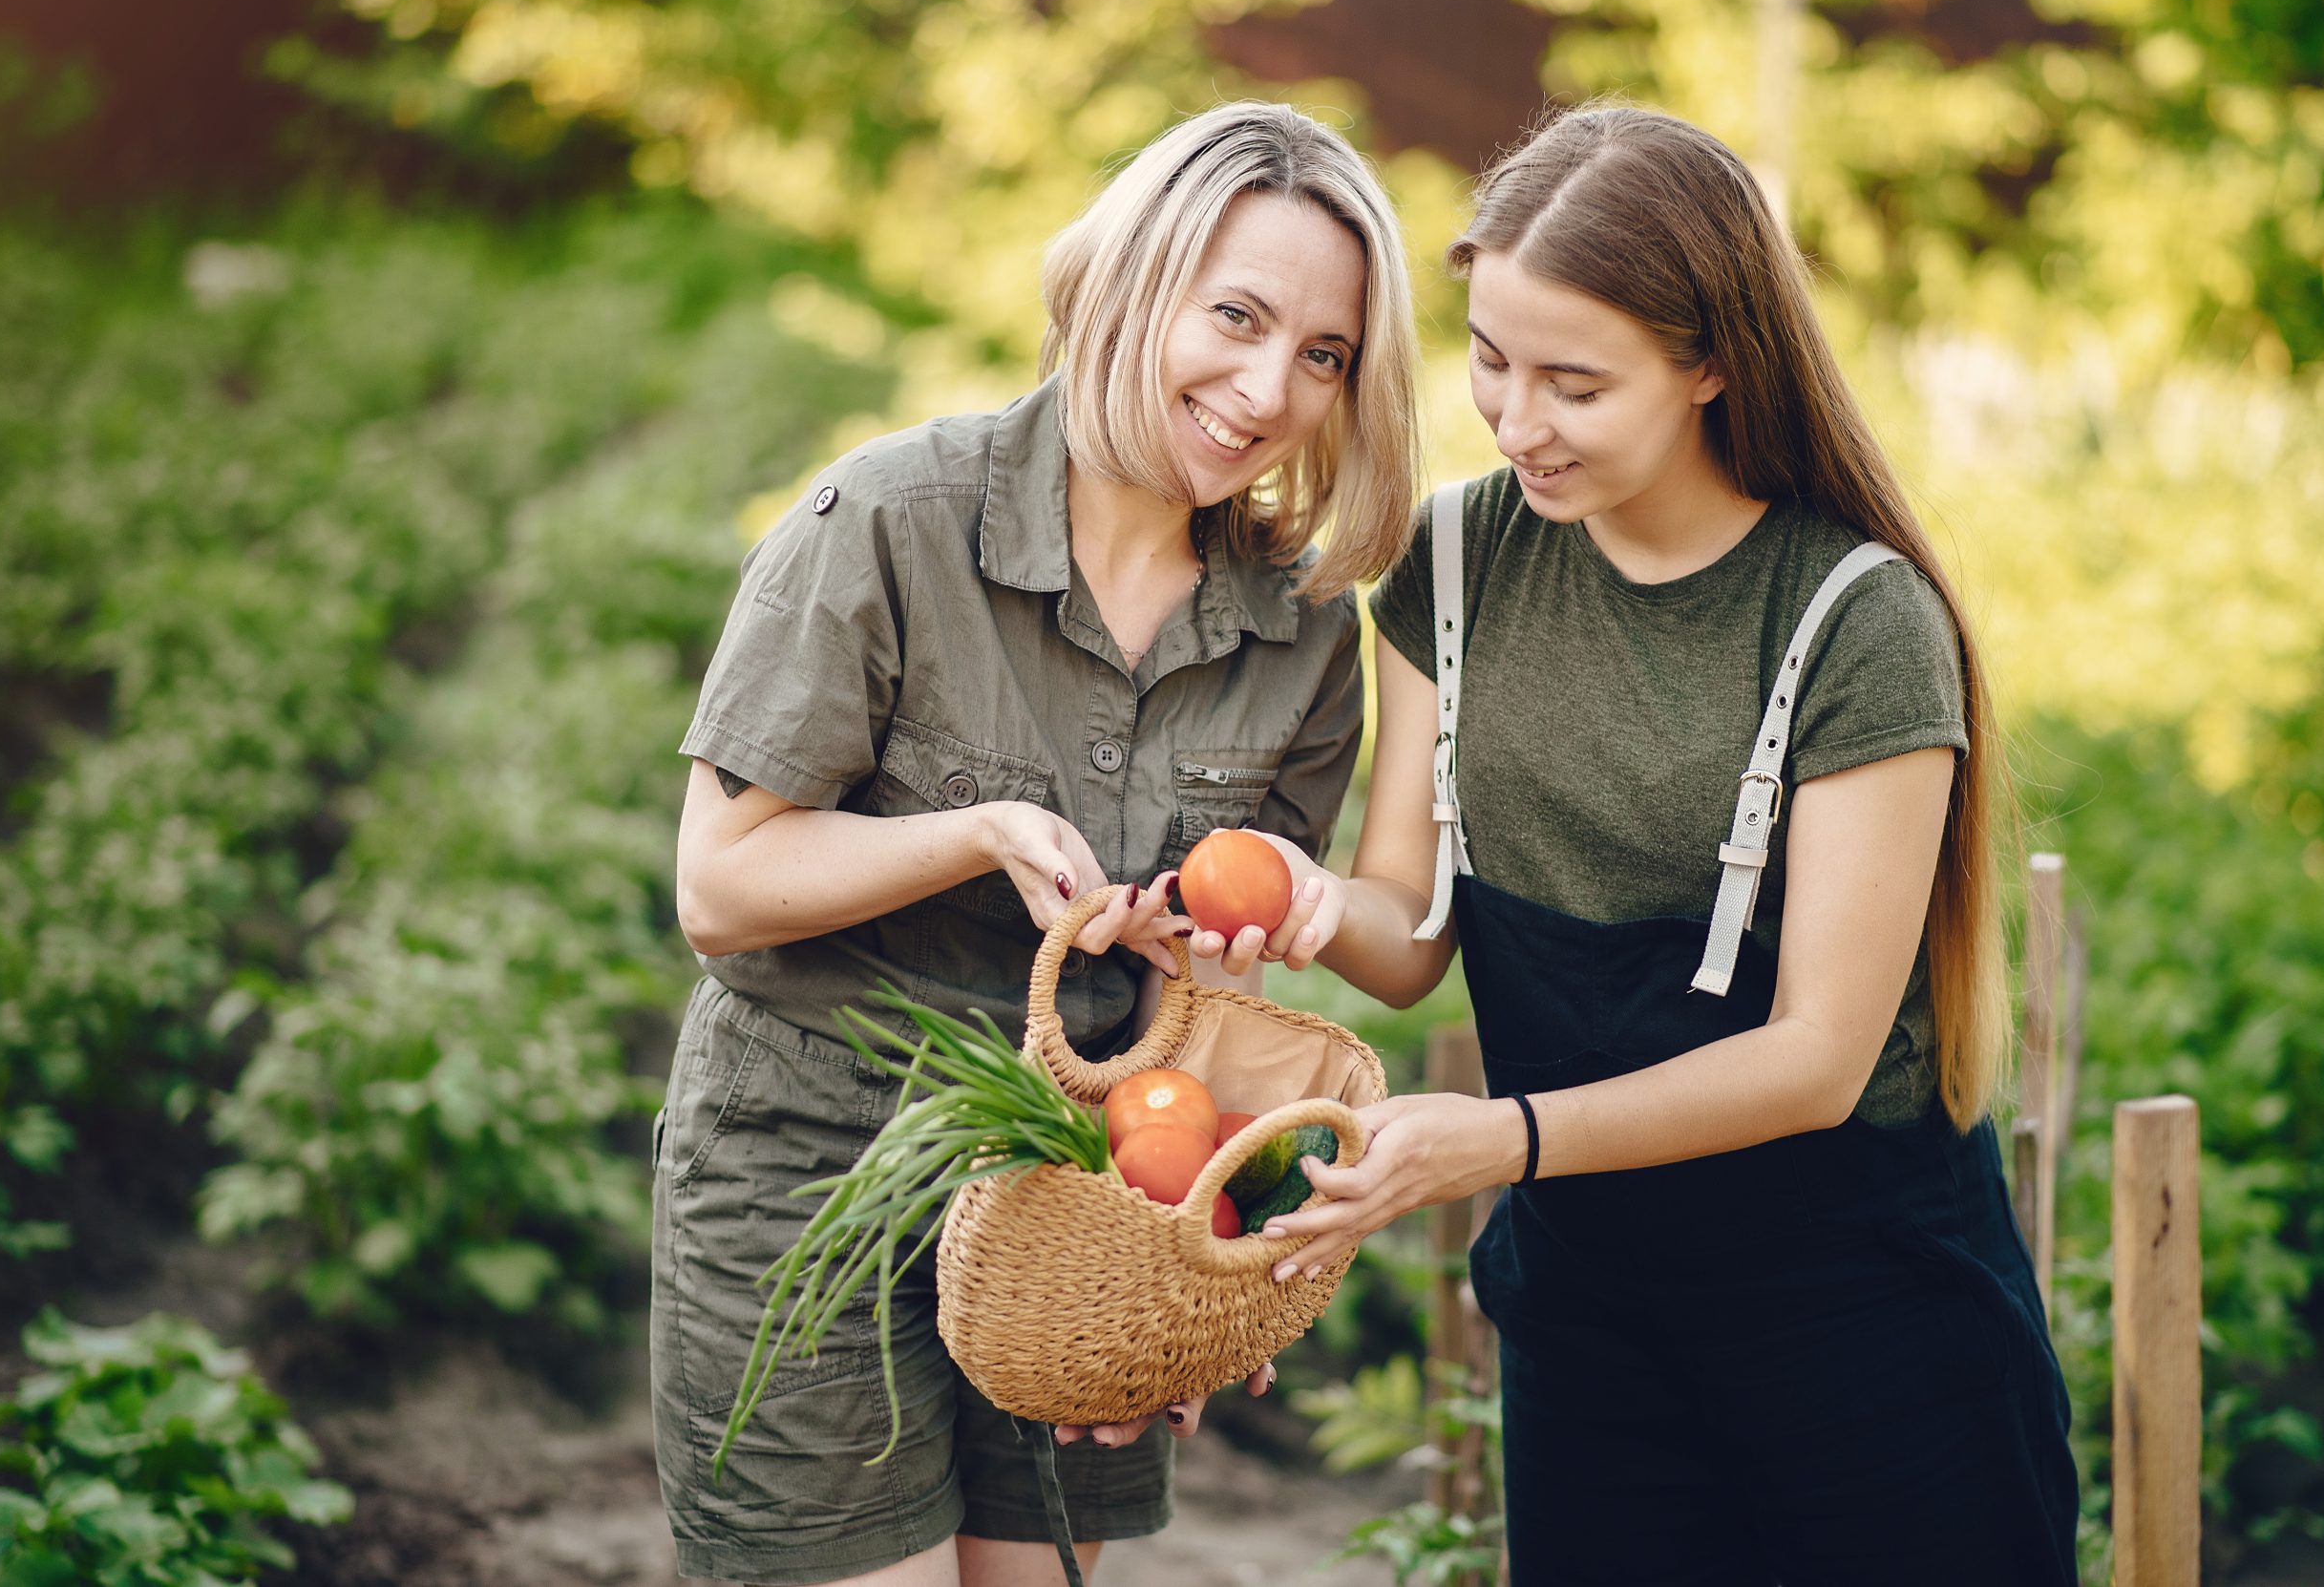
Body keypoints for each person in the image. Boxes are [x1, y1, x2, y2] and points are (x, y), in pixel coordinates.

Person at [1207, 105, 2081, 1585]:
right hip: (1595, 1334)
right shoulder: (1456, 560)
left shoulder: (1857, 619)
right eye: (1492, 359)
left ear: (1711, 363)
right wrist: (1313, 898)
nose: (1516, 419)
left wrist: (1508, 1136)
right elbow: (1411, 934)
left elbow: (1817, 1056)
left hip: (1868, 1327)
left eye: (1576, 383)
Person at [655, 101, 1422, 1587]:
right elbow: (721, 885)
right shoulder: (892, 520)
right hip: (810, 1171)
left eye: (1324, 354)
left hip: (1085, 1199)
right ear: (1135, 278)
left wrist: (1200, 1251)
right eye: (1237, 316)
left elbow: (1218, 985)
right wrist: (975, 834)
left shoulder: (1301, 630)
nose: (1269, 390)